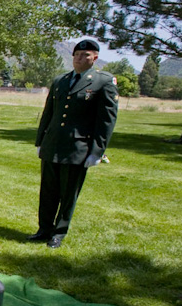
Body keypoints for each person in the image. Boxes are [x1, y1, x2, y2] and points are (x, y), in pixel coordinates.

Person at [28, 39, 118, 249]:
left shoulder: (102, 82)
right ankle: (44, 229)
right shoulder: (61, 80)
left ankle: (59, 233)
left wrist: (97, 151)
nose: (80, 58)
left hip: (78, 147)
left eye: (86, 55)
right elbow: (49, 112)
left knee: (68, 192)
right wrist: (41, 140)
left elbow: (106, 120)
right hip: (53, 144)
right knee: (48, 190)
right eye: (77, 54)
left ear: (94, 58)